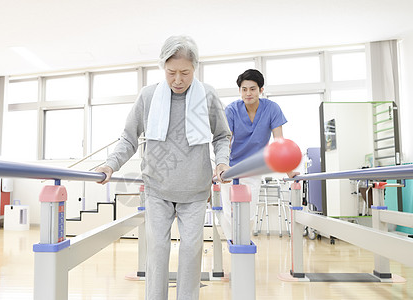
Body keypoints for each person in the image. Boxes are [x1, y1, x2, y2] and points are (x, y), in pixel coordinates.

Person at [95, 35, 231, 300]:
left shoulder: (208, 95)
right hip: (157, 189)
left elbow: (221, 136)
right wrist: (111, 165)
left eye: (185, 73)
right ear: (163, 68)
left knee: (191, 253)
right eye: (171, 73)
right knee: (157, 252)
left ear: (195, 68)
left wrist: (222, 162)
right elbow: (128, 137)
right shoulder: (148, 96)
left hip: (194, 190)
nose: (178, 80)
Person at [222, 69, 298, 230]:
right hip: (231, 166)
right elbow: (225, 141)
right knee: (230, 214)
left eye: (252, 89)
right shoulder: (231, 110)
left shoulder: (272, 109)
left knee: (248, 214)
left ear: (261, 90)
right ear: (240, 91)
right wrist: (221, 166)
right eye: (244, 89)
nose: (248, 93)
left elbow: (279, 143)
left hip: (253, 167)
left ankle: (243, 247)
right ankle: (234, 249)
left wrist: (289, 171)